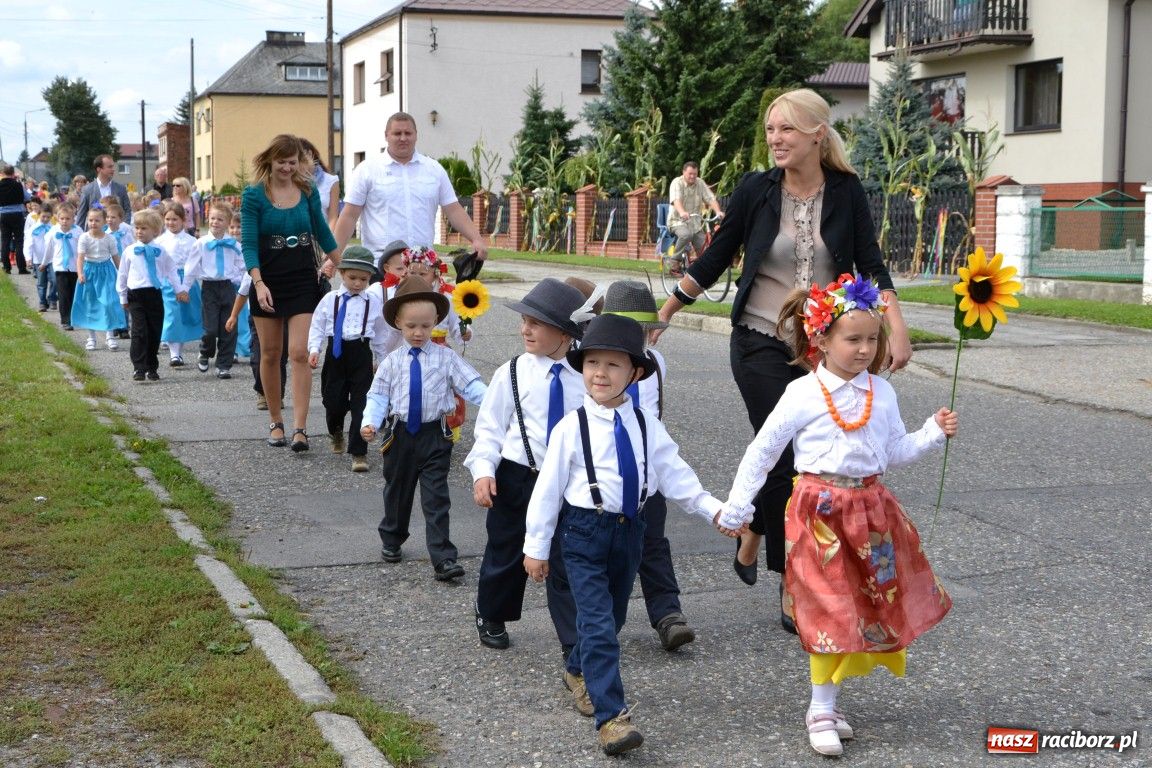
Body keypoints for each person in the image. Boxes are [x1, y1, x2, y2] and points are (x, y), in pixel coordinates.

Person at [653, 88, 914, 633]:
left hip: (822, 349)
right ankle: (792, 582)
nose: (776, 138)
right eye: (771, 129)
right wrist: (668, 309)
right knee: (782, 454)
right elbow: (718, 254)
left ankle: (756, 533)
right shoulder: (756, 189)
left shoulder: (845, 191)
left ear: (818, 133)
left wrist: (896, 327)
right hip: (759, 340)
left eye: (787, 129)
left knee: (809, 460)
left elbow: (870, 265)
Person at [723, 274, 956, 757]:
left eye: (873, 339)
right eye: (853, 339)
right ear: (822, 339)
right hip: (818, 515)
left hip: (871, 513)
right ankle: (821, 706)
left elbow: (892, 452)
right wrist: (739, 505)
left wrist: (932, 432)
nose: (865, 349)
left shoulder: (882, 394)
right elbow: (763, 451)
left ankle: (831, 699)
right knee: (826, 607)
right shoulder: (802, 394)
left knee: (861, 606)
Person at [522, 314, 733, 756]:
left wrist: (713, 508)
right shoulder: (570, 428)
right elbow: (547, 492)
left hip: (630, 532)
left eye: (613, 365)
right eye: (592, 363)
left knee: (612, 620)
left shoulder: (645, 424)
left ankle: (576, 669)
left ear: (635, 373)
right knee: (598, 624)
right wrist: (536, 548)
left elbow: (675, 474)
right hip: (582, 533)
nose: (600, 373)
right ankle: (611, 719)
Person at [464, 278, 587, 651]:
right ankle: (492, 612)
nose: (524, 329)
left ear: (565, 332)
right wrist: (483, 470)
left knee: (567, 555)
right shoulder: (512, 371)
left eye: (536, 323)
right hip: (518, 475)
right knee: (506, 546)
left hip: (569, 481)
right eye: (524, 321)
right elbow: (489, 428)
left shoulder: (587, 375)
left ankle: (574, 635)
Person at [359, 276, 487, 580]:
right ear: (398, 324)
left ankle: (443, 557)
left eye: (425, 326)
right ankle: (392, 537)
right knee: (397, 492)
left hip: (434, 437)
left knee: (436, 498)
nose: (418, 333)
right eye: (411, 326)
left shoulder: (446, 357)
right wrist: (370, 422)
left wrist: (499, 402)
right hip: (400, 436)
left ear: (436, 323)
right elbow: (377, 396)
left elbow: (471, 385)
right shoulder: (392, 361)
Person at [597, 280, 697, 651]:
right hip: (604, 472)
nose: (636, 339)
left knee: (653, 542)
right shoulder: (591, 364)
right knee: (604, 548)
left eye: (643, 331)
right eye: (628, 330)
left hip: (645, 472)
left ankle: (668, 613)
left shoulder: (656, 363)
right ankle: (599, 619)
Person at [242, 133, 340, 451]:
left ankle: (300, 428)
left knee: (300, 352)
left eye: (292, 161)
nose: (287, 167)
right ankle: (276, 422)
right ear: (270, 160)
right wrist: (258, 284)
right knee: (271, 354)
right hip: (268, 279)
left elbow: (322, 232)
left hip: (301, 278)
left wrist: (346, 265)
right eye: (281, 161)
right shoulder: (253, 196)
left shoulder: (308, 190)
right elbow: (249, 244)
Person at [332, 112, 487, 268]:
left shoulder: (434, 170)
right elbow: (350, 215)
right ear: (386, 136)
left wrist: (476, 239)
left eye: (408, 133)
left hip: (423, 264)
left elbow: (453, 210)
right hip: (381, 263)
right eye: (397, 133)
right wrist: (334, 256)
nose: (403, 138)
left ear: (416, 135)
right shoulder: (367, 170)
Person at [308, 246, 390, 472]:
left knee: (361, 404)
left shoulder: (373, 302)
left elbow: (380, 333)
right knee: (333, 401)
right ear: (342, 274)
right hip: (336, 353)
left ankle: (359, 451)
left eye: (363, 279)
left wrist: (380, 360)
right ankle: (335, 430)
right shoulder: (329, 299)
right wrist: (314, 349)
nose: (357, 283)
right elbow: (317, 325)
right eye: (352, 278)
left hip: (361, 354)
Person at [116, 209, 188, 381]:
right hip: (136, 295)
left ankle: (151, 366)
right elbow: (122, 275)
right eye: (137, 228)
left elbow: (171, 271)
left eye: (144, 228)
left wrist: (179, 289)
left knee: (154, 331)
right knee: (140, 331)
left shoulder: (160, 251)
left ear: (155, 231)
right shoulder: (130, 251)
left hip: (154, 294)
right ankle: (139, 367)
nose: (139, 231)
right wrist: (123, 296)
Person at [184, 201, 244, 378]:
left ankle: (223, 364)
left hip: (228, 287)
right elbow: (191, 267)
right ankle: (205, 352)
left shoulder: (234, 245)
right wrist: (184, 289)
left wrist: (237, 279)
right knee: (210, 328)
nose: (215, 222)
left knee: (229, 327)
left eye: (220, 219)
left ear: (227, 223)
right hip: (209, 288)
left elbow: (242, 266)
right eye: (212, 218)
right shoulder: (201, 243)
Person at [155, 201, 203, 367]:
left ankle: (203, 347)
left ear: (184, 220)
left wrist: (187, 285)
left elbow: (196, 264)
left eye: (175, 219)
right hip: (168, 282)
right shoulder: (159, 241)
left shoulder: (192, 241)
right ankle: (175, 354)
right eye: (167, 219)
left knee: (188, 315)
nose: (171, 223)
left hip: (187, 280)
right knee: (172, 315)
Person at [72, 206, 126, 351]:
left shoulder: (110, 238)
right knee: (90, 305)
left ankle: (110, 336)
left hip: (106, 272)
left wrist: (123, 275)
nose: (93, 223)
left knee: (108, 303)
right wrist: (80, 273)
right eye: (90, 220)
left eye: (97, 220)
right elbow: (80, 258)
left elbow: (116, 258)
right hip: (90, 272)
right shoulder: (84, 237)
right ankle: (91, 338)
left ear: (104, 222)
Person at [665, 161, 724, 267]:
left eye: (695, 174)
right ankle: (674, 261)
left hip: (695, 224)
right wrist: (682, 212)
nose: (692, 177)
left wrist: (718, 211)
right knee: (686, 235)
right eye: (690, 174)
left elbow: (710, 198)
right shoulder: (677, 183)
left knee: (705, 250)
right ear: (683, 172)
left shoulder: (700, 183)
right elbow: (676, 200)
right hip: (677, 221)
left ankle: (702, 275)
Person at [46, 201, 83, 330]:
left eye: (68, 219)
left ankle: (74, 317)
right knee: (63, 294)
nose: (65, 221)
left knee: (73, 293)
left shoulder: (78, 231)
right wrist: (44, 262)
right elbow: (49, 249)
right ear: (57, 218)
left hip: (74, 267)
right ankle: (65, 320)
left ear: (73, 219)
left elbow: (82, 250)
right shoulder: (53, 231)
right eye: (62, 218)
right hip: (60, 267)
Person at [75, 154, 132, 226]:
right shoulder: (87, 190)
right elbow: (81, 216)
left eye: (113, 166)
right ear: (99, 169)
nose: (113, 169)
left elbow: (127, 211)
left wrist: (123, 230)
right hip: (94, 234)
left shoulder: (121, 189)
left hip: (116, 234)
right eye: (110, 167)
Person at [299, 137, 341, 229]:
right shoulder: (292, 181)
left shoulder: (331, 181)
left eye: (299, 159)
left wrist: (328, 240)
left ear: (310, 154)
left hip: (322, 237)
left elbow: (333, 217)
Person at [1, 164, 31, 274]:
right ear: (13, 173)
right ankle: (21, 268)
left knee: (5, 240)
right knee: (19, 241)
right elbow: (28, 197)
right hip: (17, 213)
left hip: (3, 213)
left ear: (3, 173)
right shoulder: (18, 185)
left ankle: (6, 267)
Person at [27, 204, 57, 311]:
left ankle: (53, 298)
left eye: (48, 217)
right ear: (39, 215)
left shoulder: (54, 228)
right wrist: (28, 258)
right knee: (41, 282)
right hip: (38, 259)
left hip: (52, 259)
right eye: (43, 216)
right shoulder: (33, 229)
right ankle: (42, 302)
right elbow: (28, 244)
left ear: (51, 217)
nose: (45, 219)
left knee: (54, 280)